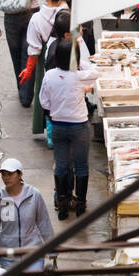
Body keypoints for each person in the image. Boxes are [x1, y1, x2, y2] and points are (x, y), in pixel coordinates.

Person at [40, 39, 99, 220]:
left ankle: (63, 204)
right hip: (79, 127)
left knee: (61, 165)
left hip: (58, 126)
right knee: (81, 165)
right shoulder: (79, 76)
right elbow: (96, 73)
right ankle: (80, 203)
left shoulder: (49, 75)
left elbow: (44, 102)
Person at [0, 158, 54, 276]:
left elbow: (43, 222)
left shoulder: (34, 195)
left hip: (33, 254)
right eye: (3, 174)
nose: (6, 178)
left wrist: (53, 248)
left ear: (20, 175)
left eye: (10, 174)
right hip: (8, 258)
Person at [21, 0, 70, 136]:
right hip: (69, 59)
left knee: (48, 99)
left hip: (47, 63)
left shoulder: (36, 19)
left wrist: (29, 70)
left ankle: (51, 134)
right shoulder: (68, 13)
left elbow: (34, 49)